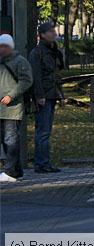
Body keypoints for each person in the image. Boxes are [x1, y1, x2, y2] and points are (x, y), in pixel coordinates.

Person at [29, 22, 65, 173]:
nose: (54, 34)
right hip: (44, 95)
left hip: (51, 94)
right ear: (42, 34)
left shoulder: (53, 51)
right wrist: (39, 95)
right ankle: (41, 163)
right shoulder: (37, 53)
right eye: (50, 32)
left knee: (46, 130)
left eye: (54, 31)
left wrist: (60, 94)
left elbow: (57, 74)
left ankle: (44, 162)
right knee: (43, 131)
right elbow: (35, 76)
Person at [0, 34, 33, 183]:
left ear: (10, 47)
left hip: (12, 109)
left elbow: (26, 81)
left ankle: (9, 171)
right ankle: (16, 170)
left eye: (4, 46)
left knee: (11, 139)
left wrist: (11, 96)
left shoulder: (20, 61)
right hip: (2, 108)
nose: (1, 49)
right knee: (6, 140)